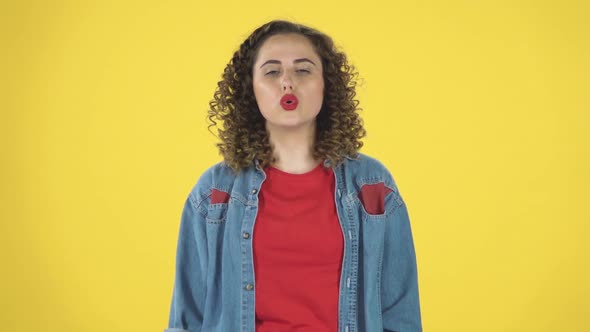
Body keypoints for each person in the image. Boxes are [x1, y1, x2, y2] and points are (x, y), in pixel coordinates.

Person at [164, 20, 422, 332]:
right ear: (251, 89)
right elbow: (187, 317)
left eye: (303, 70)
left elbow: (401, 313)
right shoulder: (216, 193)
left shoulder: (372, 185)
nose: (287, 82)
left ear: (326, 85)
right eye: (272, 71)